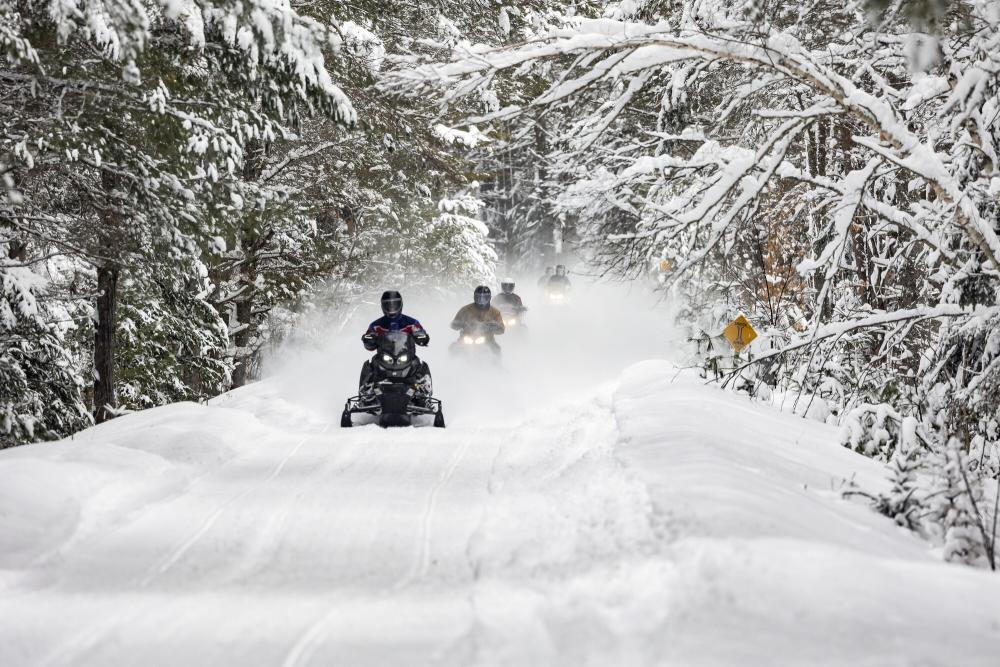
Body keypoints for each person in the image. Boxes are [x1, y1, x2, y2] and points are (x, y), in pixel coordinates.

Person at [359, 290, 431, 402]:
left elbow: (420, 332)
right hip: (385, 357)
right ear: (383, 306)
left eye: (394, 304)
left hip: (406, 356)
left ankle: (422, 390)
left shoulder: (411, 323)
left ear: (400, 304)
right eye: (388, 304)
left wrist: (422, 337)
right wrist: (369, 340)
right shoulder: (376, 325)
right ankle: (367, 391)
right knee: (371, 365)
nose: (392, 307)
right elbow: (369, 344)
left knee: (418, 365)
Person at [450, 285, 505, 350]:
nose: (481, 301)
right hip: (466, 338)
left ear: (489, 298)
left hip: (487, 340)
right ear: (475, 297)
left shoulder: (495, 312)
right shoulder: (465, 309)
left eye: (484, 298)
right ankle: (450, 359)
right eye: (479, 298)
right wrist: (458, 324)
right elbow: (454, 323)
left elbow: (501, 328)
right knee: (453, 348)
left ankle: (496, 360)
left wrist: (493, 326)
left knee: (496, 349)